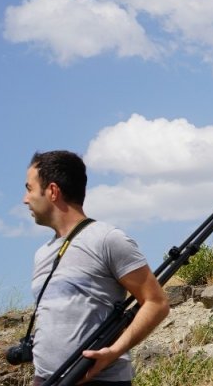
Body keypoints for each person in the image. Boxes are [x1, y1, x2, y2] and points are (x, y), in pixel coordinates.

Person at [22, 150, 169, 386]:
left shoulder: (107, 239)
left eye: (29, 189)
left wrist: (114, 351)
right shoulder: (42, 254)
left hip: (102, 380)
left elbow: (156, 303)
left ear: (52, 191)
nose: (25, 199)